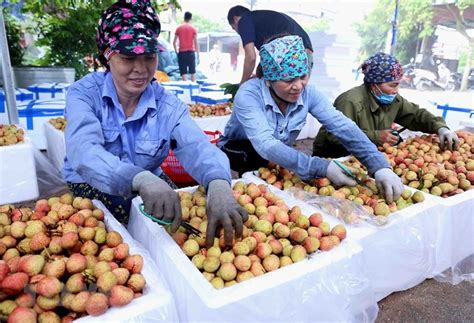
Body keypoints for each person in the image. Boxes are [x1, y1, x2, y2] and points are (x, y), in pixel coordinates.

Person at [63, 0, 247, 248]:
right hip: (92, 181)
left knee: (182, 227)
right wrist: (140, 179)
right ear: (107, 57)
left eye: (149, 57)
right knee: (125, 237)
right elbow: (84, 152)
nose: (140, 69)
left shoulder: (166, 105)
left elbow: (196, 145)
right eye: (128, 58)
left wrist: (218, 182)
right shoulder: (84, 95)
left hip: (152, 180)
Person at [218, 35, 404, 203]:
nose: (298, 86)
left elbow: (342, 126)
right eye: (289, 80)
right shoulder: (249, 94)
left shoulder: (308, 94)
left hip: (278, 151)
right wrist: (322, 167)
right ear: (268, 80)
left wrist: (378, 165)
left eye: (302, 76)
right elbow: (266, 145)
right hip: (241, 149)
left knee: (281, 186)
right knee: (254, 184)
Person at [312, 52, 459, 158]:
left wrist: (440, 127)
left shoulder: (392, 99)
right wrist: (376, 137)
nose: (396, 90)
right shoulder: (350, 101)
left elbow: (415, 115)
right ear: (374, 84)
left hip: (365, 158)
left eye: (398, 85)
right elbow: (335, 136)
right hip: (335, 159)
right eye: (392, 85)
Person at [227, 5, 313, 84]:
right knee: (298, 92)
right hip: (305, 53)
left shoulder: (244, 21)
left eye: (234, 28)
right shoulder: (262, 19)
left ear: (235, 19)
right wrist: (259, 75)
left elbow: (251, 58)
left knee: (280, 93)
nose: (238, 32)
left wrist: (242, 83)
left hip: (290, 53)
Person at [173, 11, 199, 82]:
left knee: (183, 73)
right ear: (191, 18)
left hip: (182, 53)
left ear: (184, 17)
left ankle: (185, 88)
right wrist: (197, 53)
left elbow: (174, 42)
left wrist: (176, 52)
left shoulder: (179, 28)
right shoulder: (193, 29)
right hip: (191, 52)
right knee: (193, 72)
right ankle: (193, 88)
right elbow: (196, 42)